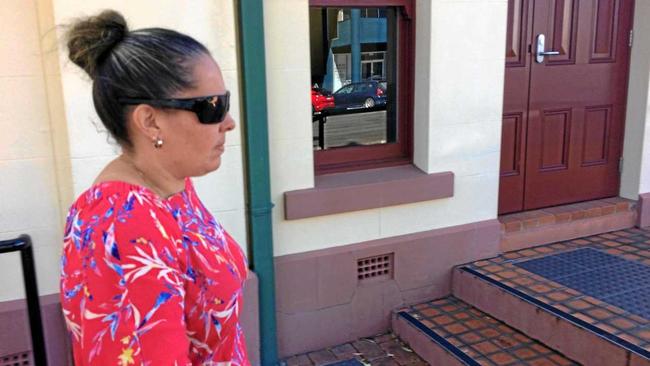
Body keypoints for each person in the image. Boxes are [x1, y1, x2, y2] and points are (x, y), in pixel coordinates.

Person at [59, 10, 250, 365]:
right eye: (212, 107)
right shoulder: (121, 223)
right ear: (150, 121)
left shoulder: (173, 186)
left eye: (226, 102)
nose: (228, 122)